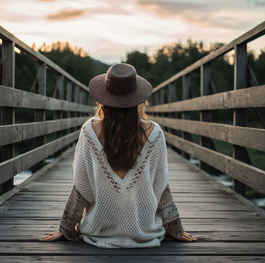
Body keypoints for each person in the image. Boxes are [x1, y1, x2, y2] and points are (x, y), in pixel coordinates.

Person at [39, 63, 197, 248]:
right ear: (139, 100)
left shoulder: (89, 131)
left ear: (102, 100)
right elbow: (161, 187)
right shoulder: (155, 133)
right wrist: (175, 228)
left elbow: (81, 187)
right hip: (145, 233)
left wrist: (66, 227)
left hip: (98, 232)